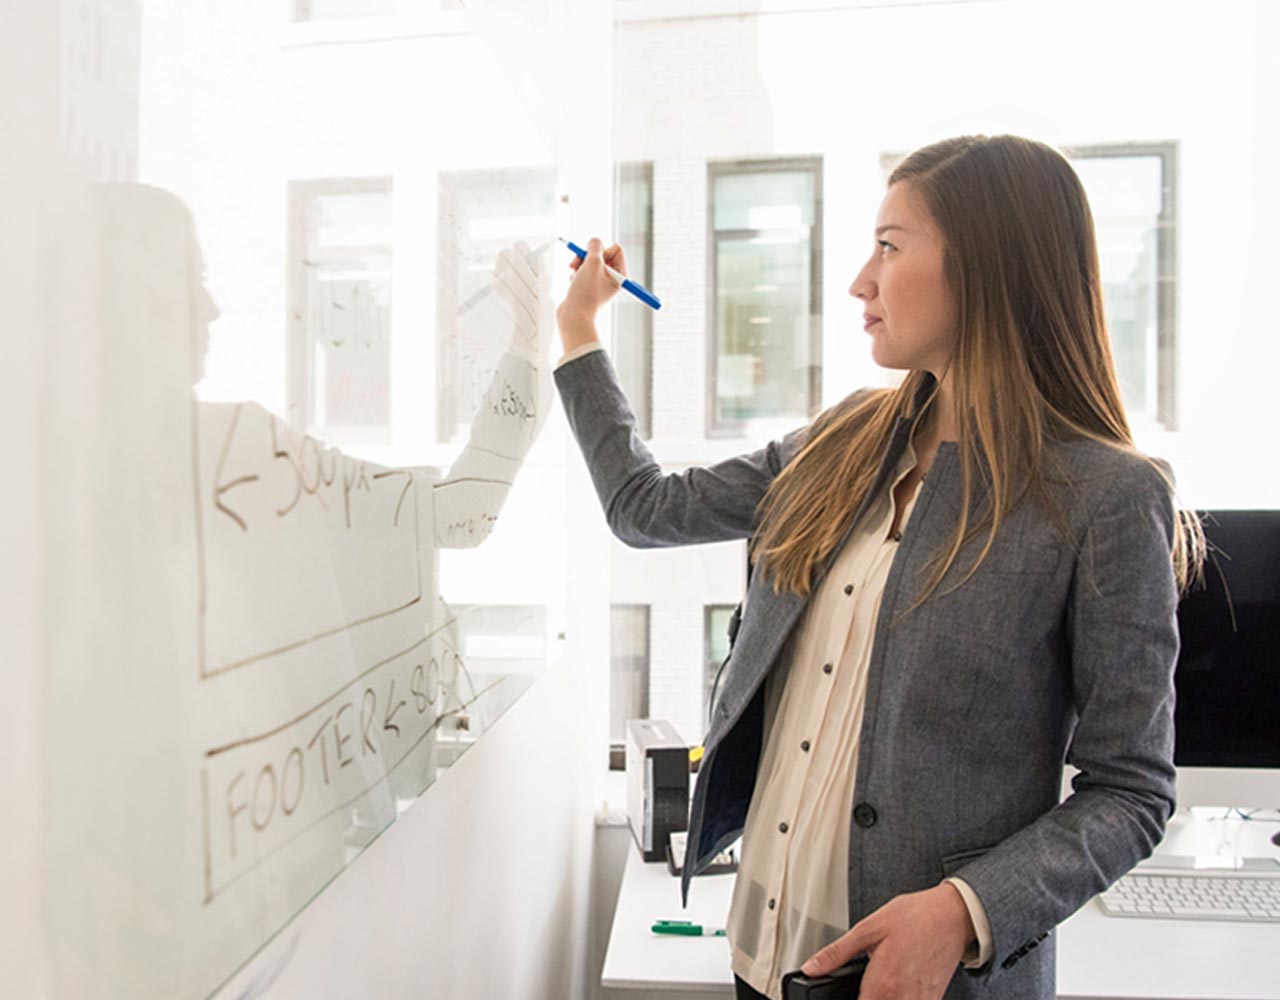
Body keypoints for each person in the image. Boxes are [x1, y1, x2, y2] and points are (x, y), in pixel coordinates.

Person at [552, 134, 1201, 1000]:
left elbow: (1130, 791)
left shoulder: (1104, 496)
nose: (861, 281)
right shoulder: (842, 440)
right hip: (762, 957)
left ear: (990, 267)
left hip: (927, 984)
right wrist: (578, 331)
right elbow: (646, 508)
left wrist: (964, 910)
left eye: (890, 247)